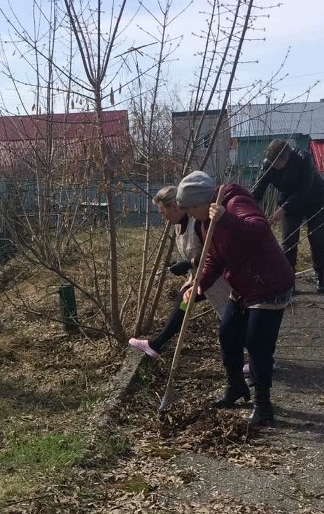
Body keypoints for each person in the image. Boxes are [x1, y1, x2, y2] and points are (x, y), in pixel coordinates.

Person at [176, 171, 295, 427]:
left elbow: (260, 230)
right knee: (228, 332)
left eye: (190, 208)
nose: (189, 214)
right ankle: (236, 386)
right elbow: (213, 257)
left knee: (257, 343)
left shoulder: (234, 203)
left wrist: (227, 219)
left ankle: (263, 405)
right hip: (243, 286)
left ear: (200, 203)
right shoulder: (206, 223)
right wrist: (199, 284)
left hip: (268, 284)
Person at [128, 185, 230, 359]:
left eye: (163, 212)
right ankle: (156, 344)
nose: (163, 217)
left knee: (229, 320)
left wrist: (188, 263)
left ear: (175, 207)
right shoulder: (178, 225)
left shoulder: (197, 223)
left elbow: (215, 252)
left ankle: (256, 360)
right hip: (200, 279)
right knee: (187, 302)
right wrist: (181, 265)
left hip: (218, 279)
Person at [251, 139, 324, 293]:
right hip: (288, 201)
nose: (273, 167)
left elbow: (304, 192)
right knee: (288, 241)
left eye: (276, 164)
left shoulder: (304, 159)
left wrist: (283, 209)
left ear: (286, 158)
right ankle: (288, 281)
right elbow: (258, 189)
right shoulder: (268, 165)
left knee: (317, 237)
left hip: (314, 200)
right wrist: (247, 205)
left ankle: (321, 277)